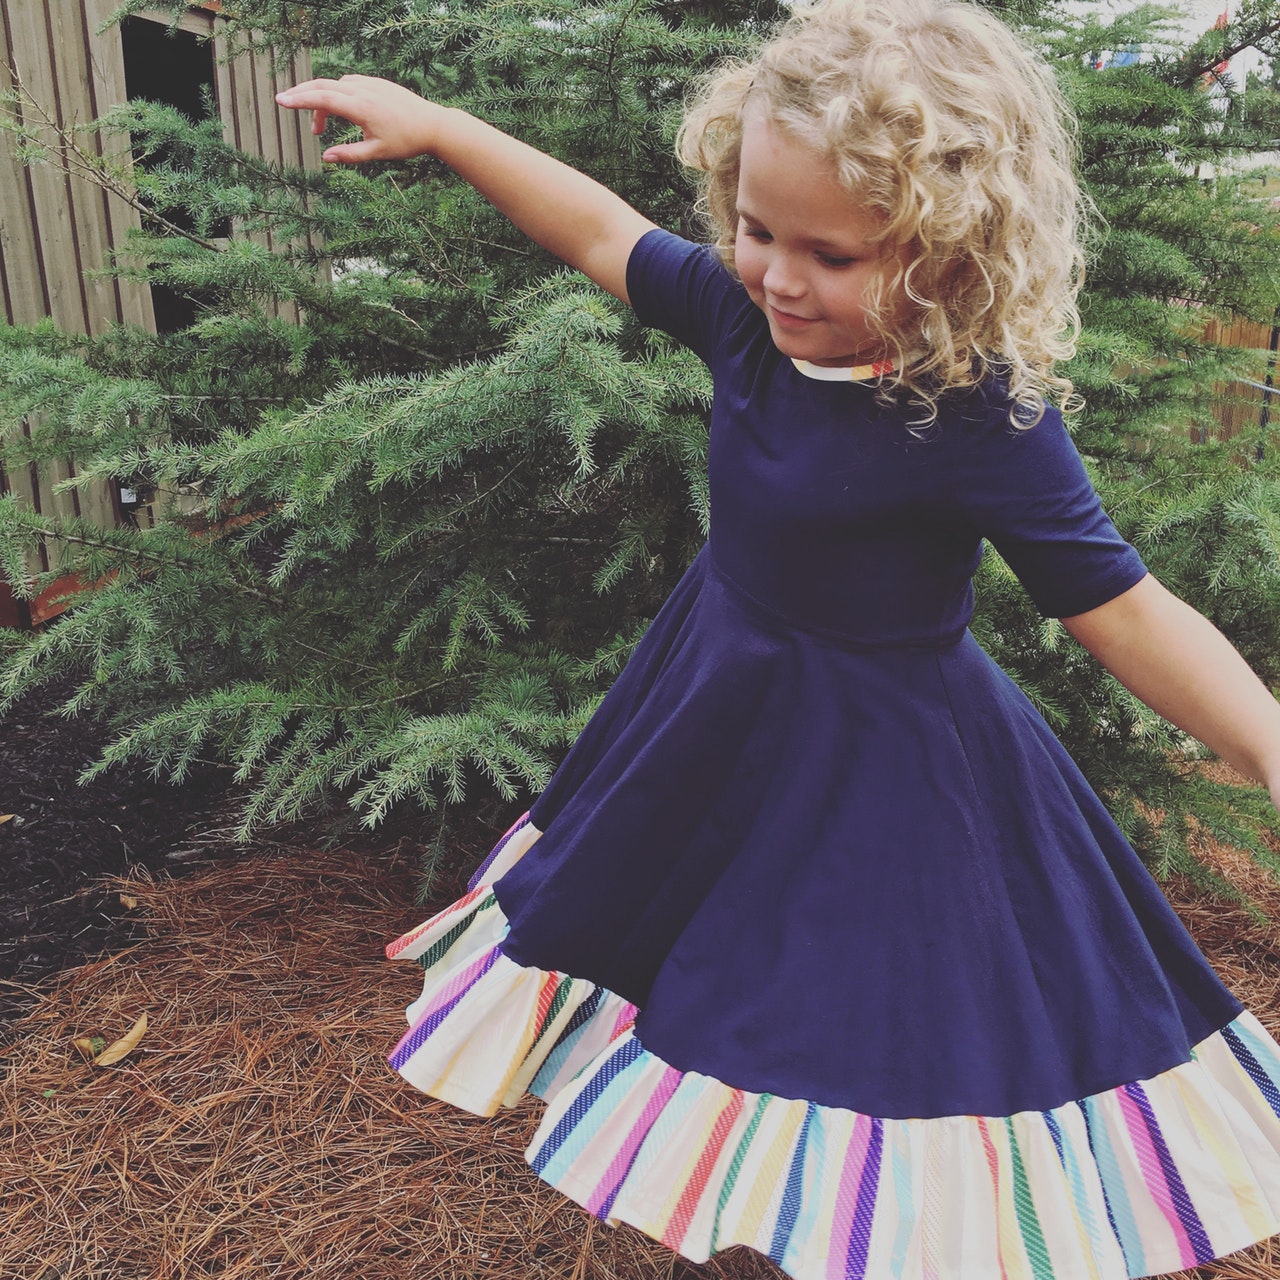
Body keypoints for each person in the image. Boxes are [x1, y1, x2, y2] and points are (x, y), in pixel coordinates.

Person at [276, 2, 1280, 1275]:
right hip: (715, 703)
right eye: (756, 229)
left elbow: (1119, 603)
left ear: (950, 251)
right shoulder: (743, 320)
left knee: (846, 1016)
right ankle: (759, 1209)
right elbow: (599, 228)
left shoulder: (976, 415)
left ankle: (877, 1232)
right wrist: (443, 128)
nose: (779, 276)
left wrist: (1264, 743)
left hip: (881, 765)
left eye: (833, 253)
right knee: (697, 959)